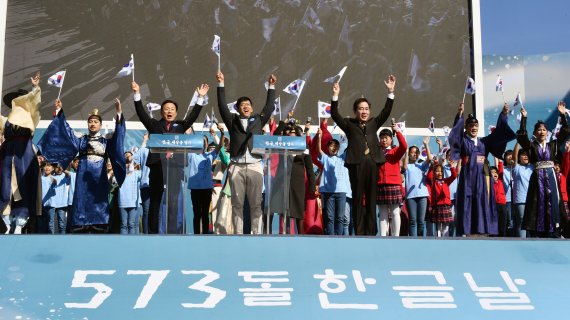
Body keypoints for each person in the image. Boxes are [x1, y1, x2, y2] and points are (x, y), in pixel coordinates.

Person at [38, 98, 126, 233]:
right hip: (83, 173)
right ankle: (81, 222)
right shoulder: (82, 139)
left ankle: (99, 222)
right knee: (82, 196)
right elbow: (66, 132)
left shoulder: (106, 140)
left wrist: (119, 112)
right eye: (90, 121)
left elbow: (119, 137)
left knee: (99, 198)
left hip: (99, 174)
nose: (93, 124)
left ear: (100, 125)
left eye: (96, 122)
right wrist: (59, 111)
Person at [132, 81, 209, 234]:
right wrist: (136, 94)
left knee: (173, 202)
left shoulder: (180, 126)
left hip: (175, 167)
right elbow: (141, 113)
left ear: (175, 112)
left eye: (172, 109)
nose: (169, 111)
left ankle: (173, 231)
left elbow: (192, 117)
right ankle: (153, 233)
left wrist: (200, 99)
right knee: (155, 201)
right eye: (166, 109)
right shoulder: (154, 125)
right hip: (157, 167)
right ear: (162, 112)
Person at [330, 76, 396, 236]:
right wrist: (335, 96)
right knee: (358, 199)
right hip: (356, 164)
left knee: (372, 199)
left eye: (366, 108)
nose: (364, 111)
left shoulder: (374, 123)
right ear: (355, 111)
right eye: (361, 108)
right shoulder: (349, 124)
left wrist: (391, 92)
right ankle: (359, 232)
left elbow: (386, 112)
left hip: (373, 163)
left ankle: (371, 232)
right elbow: (334, 114)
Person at [216, 71, 276, 234]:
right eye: (242, 105)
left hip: (255, 164)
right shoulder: (232, 120)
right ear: (238, 108)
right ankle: (239, 234)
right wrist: (221, 84)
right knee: (237, 203)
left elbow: (269, 107)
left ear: (251, 107)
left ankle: (256, 234)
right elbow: (222, 106)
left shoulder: (258, 119)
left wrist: (271, 87)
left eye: (248, 104)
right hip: (237, 165)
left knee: (256, 203)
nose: (246, 106)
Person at [448, 102, 516, 236]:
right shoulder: (463, 141)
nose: (474, 128)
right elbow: (455, 134)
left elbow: (499, 134)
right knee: (467, 201)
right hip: (468, 177)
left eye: (476, 126)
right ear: (466, 127)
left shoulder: (484, 142)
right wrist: (459, 115)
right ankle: (467, 230)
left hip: (483, 177)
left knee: (482, 200)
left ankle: (483, 228)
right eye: (471, 126)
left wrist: (503, 115)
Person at [516, 102, 569, 238]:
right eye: (539, 130)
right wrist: (524, 118)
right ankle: (537, 232)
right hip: (537, 178)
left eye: (544, 129)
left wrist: (562, 115)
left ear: (547, 132)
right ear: (535, 133)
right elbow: (522, 136)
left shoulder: (553, 145)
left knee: (554, 203)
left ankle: (555, 230)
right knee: (536, 203)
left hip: (551, 177)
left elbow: (565, 131)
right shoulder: (531, 146)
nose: (542, 132)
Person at [0, 73, 42, 234]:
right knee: (5, 186)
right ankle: (7, 221)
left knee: (23, 185)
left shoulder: (30, 116)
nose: (19, 101)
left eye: (21, 98)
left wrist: (34, 88)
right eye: (16, 99)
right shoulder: (7, 120)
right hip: (7, 153)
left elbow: (36, 103)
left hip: (24, 152)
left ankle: (20, 222)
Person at [270, 116, 316, 234]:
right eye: (289, 131)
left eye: (294, 132)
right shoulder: (282, 145)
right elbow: (275, 135)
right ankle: (285, 234)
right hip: (283, 180)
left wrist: (312, 186)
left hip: (298, 182)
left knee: (298, 209)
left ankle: (300, 235)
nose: (291, 134)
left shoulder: (304, 147)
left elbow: (310, 169)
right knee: (283, 208)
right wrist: (283, 123)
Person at [187, 124, 224, 234]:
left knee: (205, 214)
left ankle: (205, 236)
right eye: (201, 141)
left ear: (207, 144)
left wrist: (221, 134)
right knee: (197, 213)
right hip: (195, 188)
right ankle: (196, 235)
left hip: (207, 188)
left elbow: (220, 145)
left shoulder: (210, 155)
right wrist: (190, 132)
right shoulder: (191, 154)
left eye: (204, 141)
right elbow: (188, 143)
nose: (203, 143)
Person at [316, 128, 350, 235]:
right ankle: (330, 238)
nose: (333, 147)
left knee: (340, 217)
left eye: (335, 145)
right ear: (328, 148)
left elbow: (351, 148)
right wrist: (319, 137)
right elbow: (318, 151)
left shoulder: (343, 158)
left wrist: (350, 136)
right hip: (328, 191)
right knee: (330, 217)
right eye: (331, 145)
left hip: (341, 191)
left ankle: (339, 239)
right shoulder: (325, 158)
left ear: (339, 148)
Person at [376, 124, 407, 237]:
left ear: (391, 139)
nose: (384, 140)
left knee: (395, 212)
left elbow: (404, 146)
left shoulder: (395, 151)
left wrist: (397, 131)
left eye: (386, 138)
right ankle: (383, 236)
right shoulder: (376, 152)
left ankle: (396, 235)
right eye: (382, 138)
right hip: (380, 185)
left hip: (393, 184)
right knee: (383, 213)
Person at [403, 139, 432, 237]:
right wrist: (406, 152)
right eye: (412, 153)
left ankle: (420, 241)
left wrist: (426, 145)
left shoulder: (421, 165)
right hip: (411, 196)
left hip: (422, 195)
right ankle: (413, 241)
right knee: (412, 221)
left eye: (416, 153)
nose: (414, 154)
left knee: (421, 221)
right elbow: (404, 166)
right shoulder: (407, 166)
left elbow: (430, 159)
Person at [426, 161, 458, 237]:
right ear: (434, 173)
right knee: (438, 227)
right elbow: (429, 176)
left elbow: (454, 176)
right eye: (437, 171)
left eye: (441, 171)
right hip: (437, 206)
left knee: (446, 226)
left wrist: (452, 167)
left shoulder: (446, 181)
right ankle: (438, 240)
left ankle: (445, 240)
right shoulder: (433, 182)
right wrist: (434, 165)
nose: (439, 173)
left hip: (446, 205)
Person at [511, 143, 533, 238]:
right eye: (523, 155)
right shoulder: (517, 167)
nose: (525, 156)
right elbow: (514, 155)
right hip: (521, 199)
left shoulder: (532, 167)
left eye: (527, 154)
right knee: (521, 221)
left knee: (531, 222)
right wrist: (519, 141)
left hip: (532, 199)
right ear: (519, 157)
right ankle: (521, 241)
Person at [118, 151, 142, 235]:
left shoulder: (138, 174)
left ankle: (133, 244)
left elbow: (146, 173)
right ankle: (123, 244)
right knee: (123, 224)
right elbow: (112, 180)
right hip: (123, 202)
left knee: (132, 224)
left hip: (134, 203)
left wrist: (135, 161)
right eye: (125, 156)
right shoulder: (120, 173)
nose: (127, 158)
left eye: (129, 156)